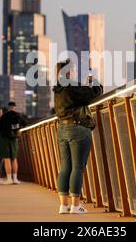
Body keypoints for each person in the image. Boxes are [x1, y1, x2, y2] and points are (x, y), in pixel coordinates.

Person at [52, 60, 103, 214]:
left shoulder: (58, 89)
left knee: (65, 167)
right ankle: (75, 205)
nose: (74, 72)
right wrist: (95, 81)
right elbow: (94, 94)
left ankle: (64, 205)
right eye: (73, 70)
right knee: (77, 167)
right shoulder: (71, 86)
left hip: (62, 129)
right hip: (78, 129)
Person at [0, 101, 27, 185]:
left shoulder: (4, 116)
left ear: (8, 107)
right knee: (14, 158)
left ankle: (9, 178)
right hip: (14, 139)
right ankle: (15, 178)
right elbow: (25, 123)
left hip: (5, 139)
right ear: (14, 107)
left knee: (7, 159)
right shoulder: (18, 115)